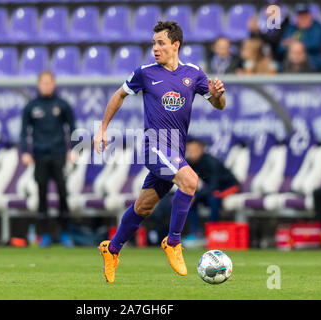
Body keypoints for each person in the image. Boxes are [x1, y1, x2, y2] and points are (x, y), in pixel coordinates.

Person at [93, 21, 226, 283]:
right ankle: (173, 242)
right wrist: (103, 128)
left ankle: (112, 249)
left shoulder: (194, 73)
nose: (155, 48)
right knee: (190, 181)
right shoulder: (145, 73)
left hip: (174, 149)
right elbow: (119, 95)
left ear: (175, 45)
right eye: (154, 43)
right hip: (153, 145)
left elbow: (218, 105)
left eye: (161, 43)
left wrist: (217, 94)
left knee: (143, 206)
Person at [20, 70, 77, 248]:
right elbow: (23, 132)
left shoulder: (62, 105)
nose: (46, 86)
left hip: (59, 155)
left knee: (62, 192)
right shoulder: (31, 106)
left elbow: (73, 128)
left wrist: (73, 150)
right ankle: (44, 234)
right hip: (40, 156)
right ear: (38, 85)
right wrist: (25, 152)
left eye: (49, 82)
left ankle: (64, 232)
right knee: (42, 194)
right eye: (43, 83)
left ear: (54, 84)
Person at [149, 138, 240, 246]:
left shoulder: (211, 162)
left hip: (228, 187)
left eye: (194, 150)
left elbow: (214, 185)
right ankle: (195, 233)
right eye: (189, 151)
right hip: (211, 189)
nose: (192, 154)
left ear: (201, 149)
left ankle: (213, 233)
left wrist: (196, 196)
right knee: (190, 199)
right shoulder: (189, 163)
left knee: (213, 199)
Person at [279, 3, 321, 71]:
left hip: (313, 60)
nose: (302, 18)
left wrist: (294, 44)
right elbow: (280, 48)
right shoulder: (291, 28)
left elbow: (316, 45)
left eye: (305, 15)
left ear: (310, 15)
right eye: (300, 15)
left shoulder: (317, 27)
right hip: (291, 62)